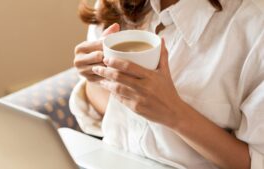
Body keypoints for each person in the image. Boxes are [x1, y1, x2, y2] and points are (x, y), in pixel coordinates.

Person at [70, 0, 264, 168]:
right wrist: (95, 75)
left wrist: (174, 114)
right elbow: (100, 101)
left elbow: (257, 161)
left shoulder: (254, 28)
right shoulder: (114, 6)